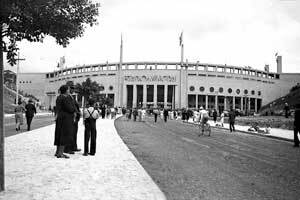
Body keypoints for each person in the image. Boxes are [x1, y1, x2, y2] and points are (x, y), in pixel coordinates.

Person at [54, 85, 76, 159]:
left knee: (59, 134)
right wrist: (74, 109)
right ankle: (60, 153)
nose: (69, 91)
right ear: (66, 90)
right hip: (65, 119)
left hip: (60, 117)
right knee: (64, 135)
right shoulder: (65, 98)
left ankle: (57, 152)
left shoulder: (59, 97)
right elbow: (70, 108)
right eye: (68, 89)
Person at [64, 86, 81, 154]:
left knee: (74, 133)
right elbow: (71, 107)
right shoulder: (67, 97)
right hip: (71, 118)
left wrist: (78, 113)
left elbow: (75, 106)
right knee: (70, 134)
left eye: (73, 89)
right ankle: (68, 148)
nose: (73, 90)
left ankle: (74, 147)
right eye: (71, 89)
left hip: (75, 118)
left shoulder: (72, 97)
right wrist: (76, 112)